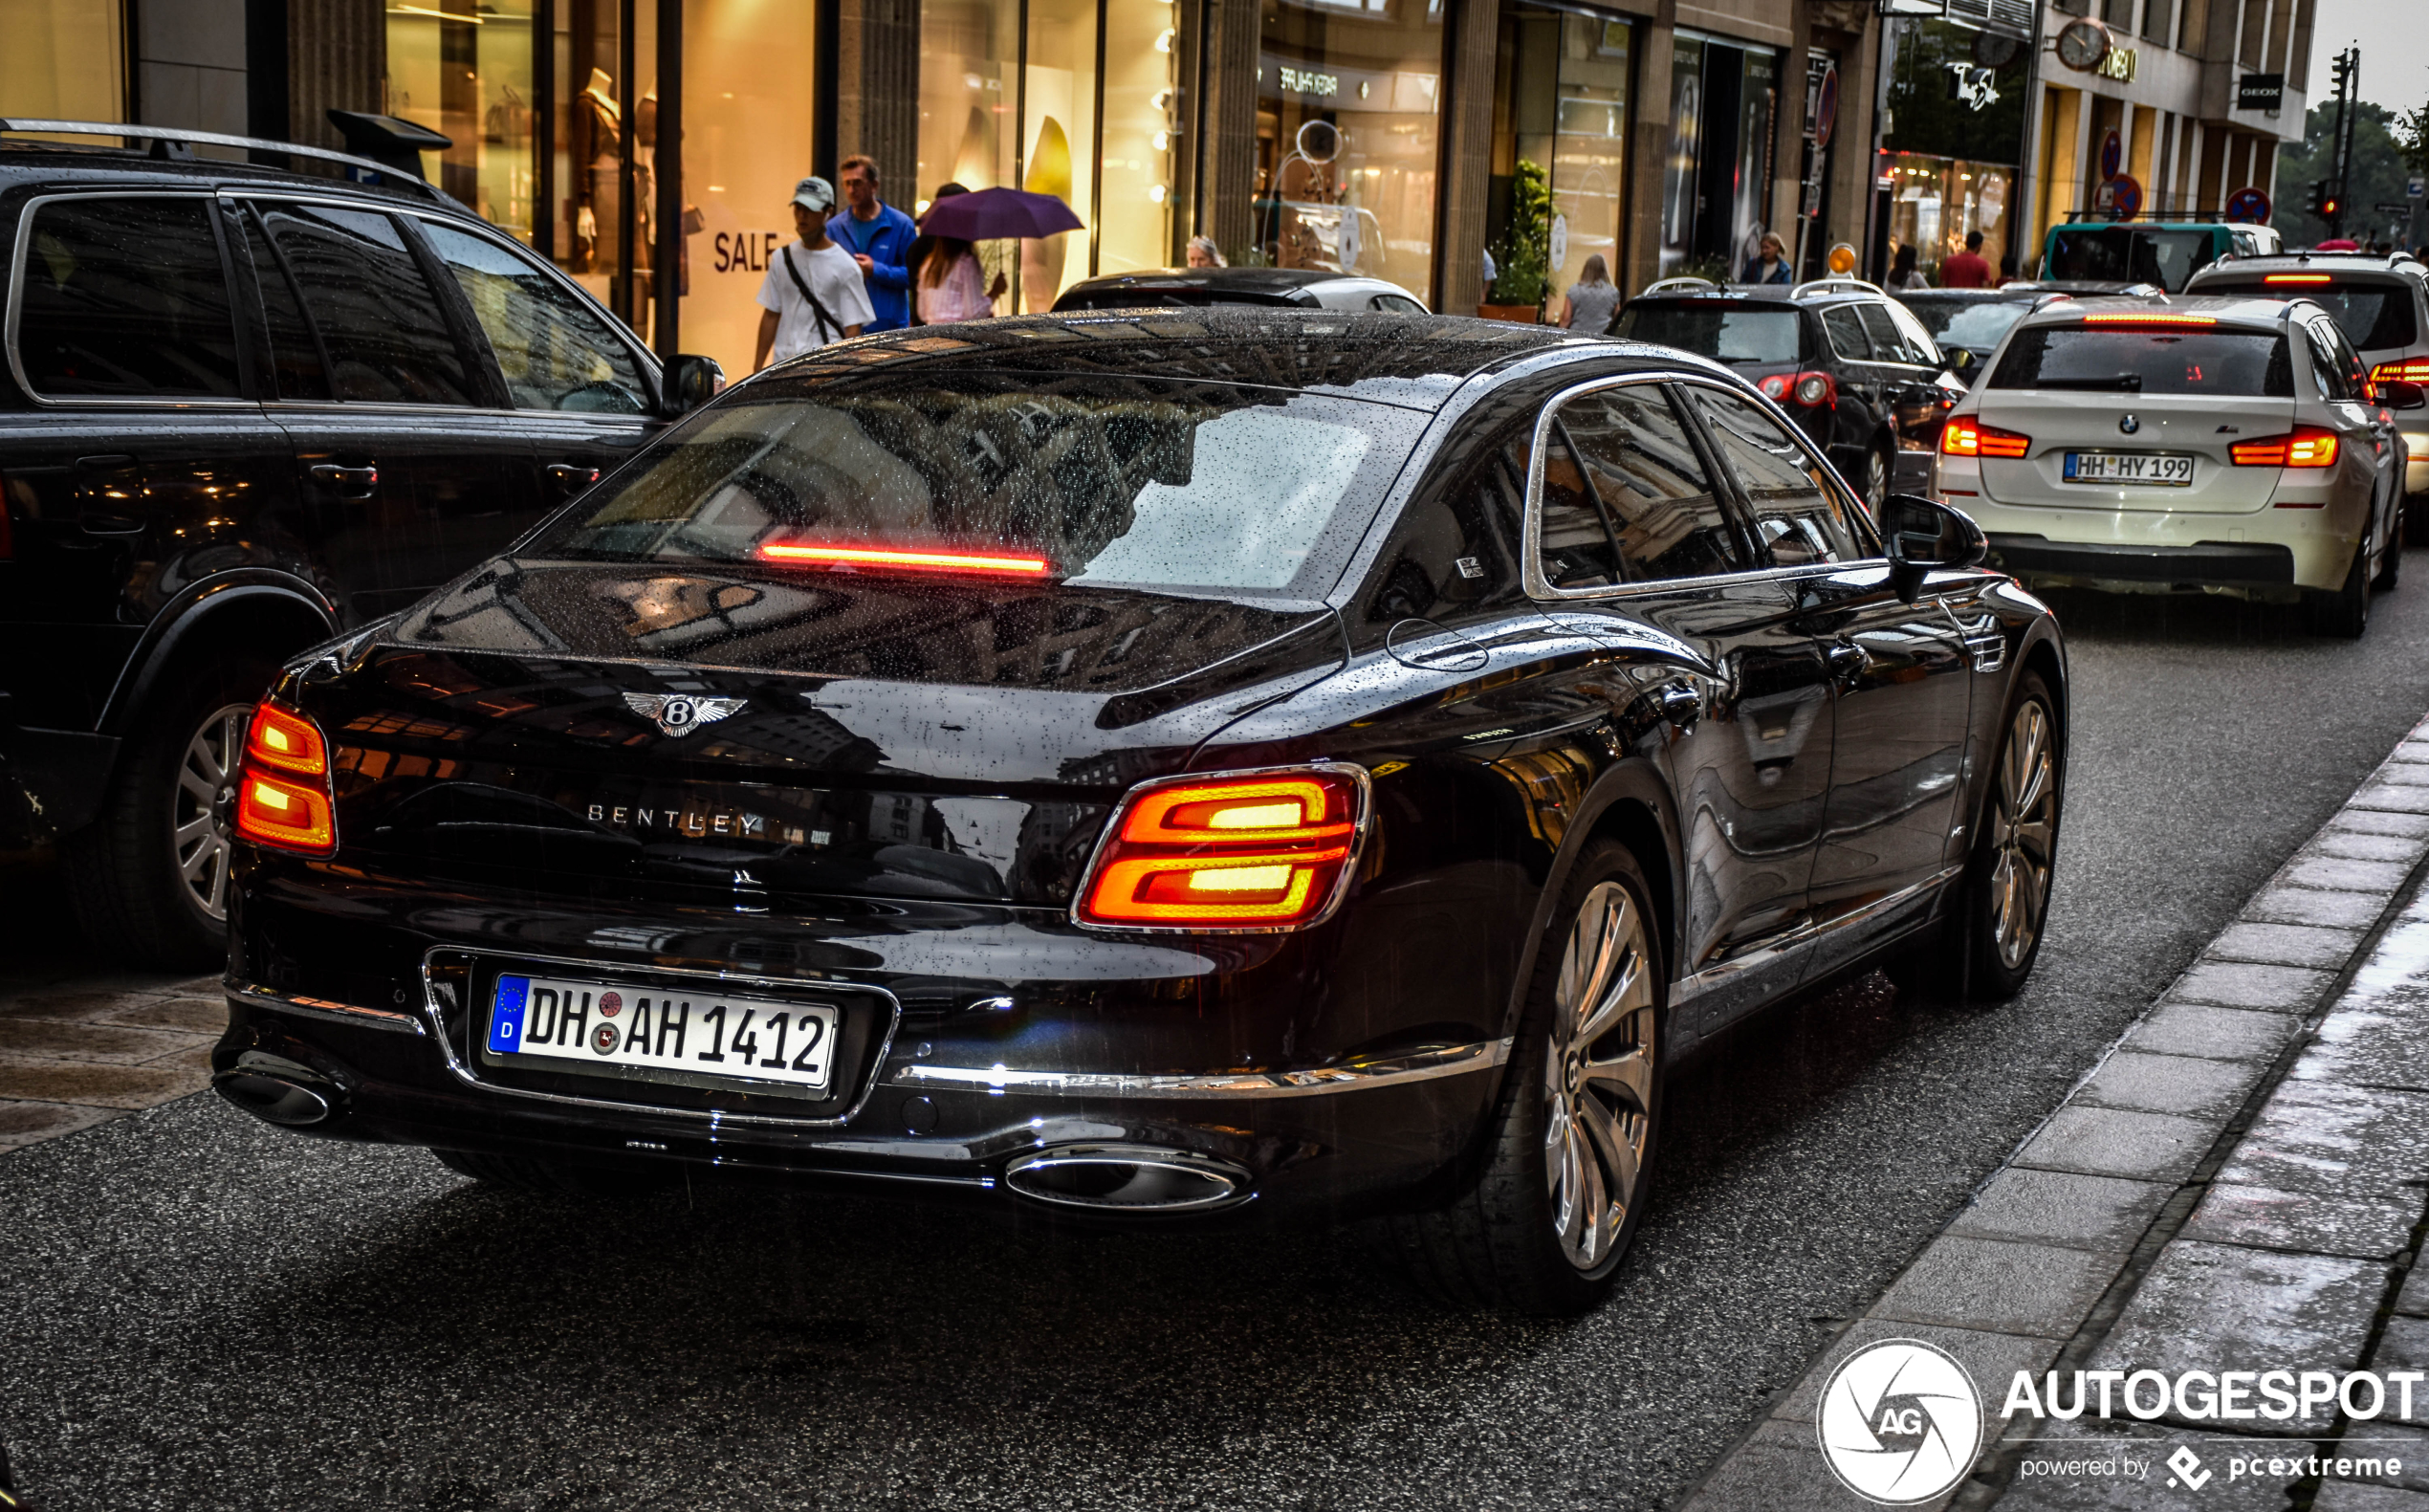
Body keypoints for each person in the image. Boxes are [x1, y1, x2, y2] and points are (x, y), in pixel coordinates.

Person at [754, 176, 873, 370]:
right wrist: (757, 368)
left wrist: (845, 372)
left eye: (810, 210)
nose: (802, 216)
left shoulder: (846, 265)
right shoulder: (781, 258)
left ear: (828, 212)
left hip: (826, 368)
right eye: (798, 208)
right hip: (784, 366)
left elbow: (853, 329)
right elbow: (771, 314)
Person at [828, 154, 918, 333]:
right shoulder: (834, 227)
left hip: (889, 331)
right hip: (846, 329)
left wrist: (875, 270)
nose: (852, 190)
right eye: (847, 183)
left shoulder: (900, 224)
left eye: (857, 183)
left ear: (874, 185)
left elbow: (914, 276)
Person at [915, 203, 997, 326]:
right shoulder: (966, 264)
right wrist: (995, 292)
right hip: (958, 337)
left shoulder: (928, 264)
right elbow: (973, 313)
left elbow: (922, 312)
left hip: (931, 334)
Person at [1560, 254, 1620, 332]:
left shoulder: (1574, 290)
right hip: (1603, 337)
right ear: (1604, 270)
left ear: (1586, 269)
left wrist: (1557, 335)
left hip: (1578, 336)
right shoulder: (1613, 292)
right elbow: (1617, 319)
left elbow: (1566, 319)